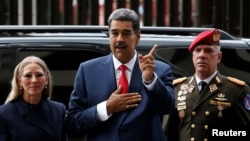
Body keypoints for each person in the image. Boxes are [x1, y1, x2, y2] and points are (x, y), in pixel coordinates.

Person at [66, 8, 175, 141]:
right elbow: (73, 123)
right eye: (115, 33)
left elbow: (166, 108)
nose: (119, 39)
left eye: (126, 33)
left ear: (138, 37)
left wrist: (150, 79)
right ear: (109, 36)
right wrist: (106, 108)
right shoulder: (87, 70)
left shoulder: (159, 70)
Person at [164, 29, 250, 141]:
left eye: (208, 51)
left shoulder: (236, 90)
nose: (202, 55)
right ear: (192, 56)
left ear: (219, 57)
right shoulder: (177, 88)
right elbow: (168, 133)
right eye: (198, 50)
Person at [0, 56, 68, 141]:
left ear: (46, 79)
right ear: (19, 81)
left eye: (39, 75)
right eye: (28, 75)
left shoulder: (58, 110)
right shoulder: (4, 114)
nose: (34, 80)